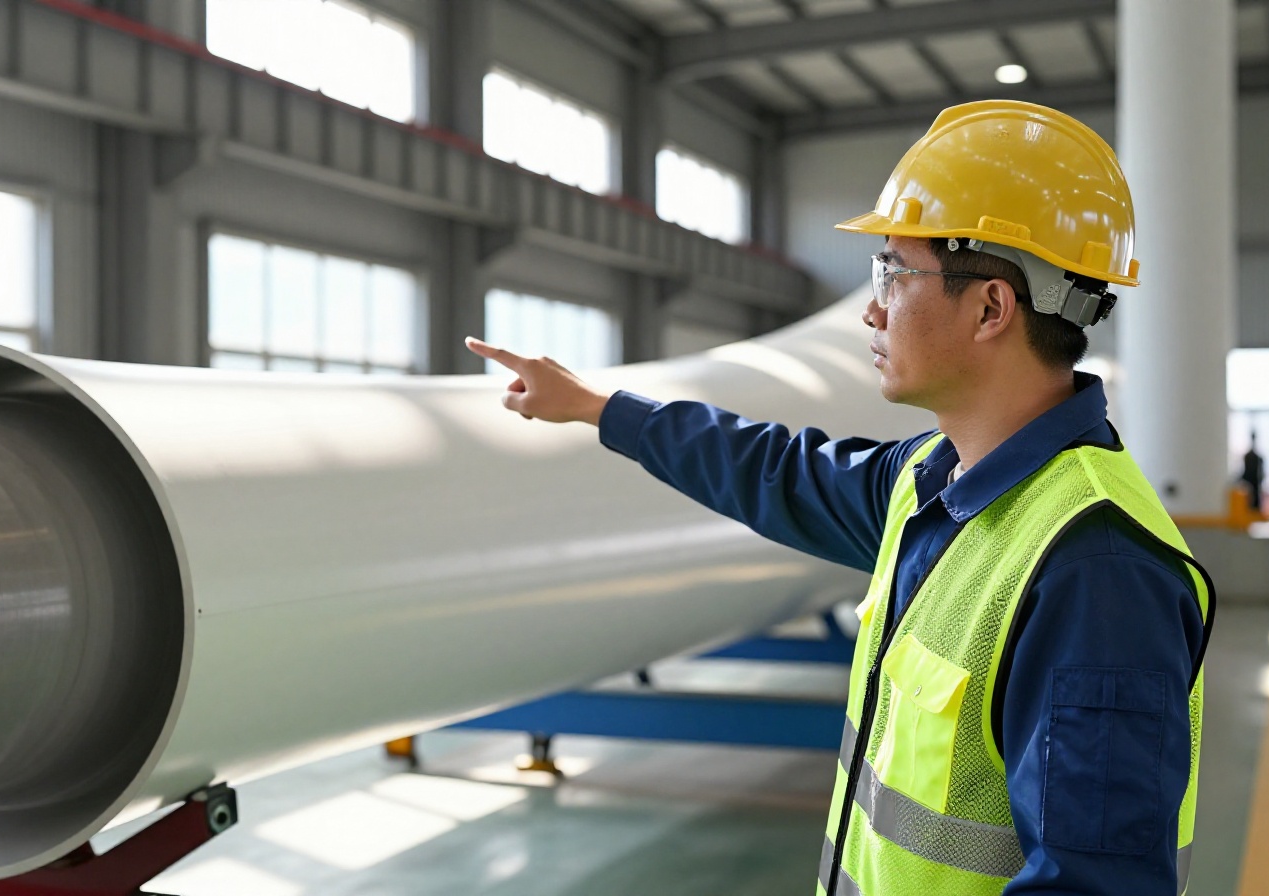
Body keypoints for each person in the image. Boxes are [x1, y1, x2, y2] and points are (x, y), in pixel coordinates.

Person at [466, 100, 1214, 896]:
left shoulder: (1095, 570)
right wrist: (599, 407)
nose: (872, 307)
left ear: (992, 306)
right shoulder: (933, 479)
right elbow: (774, 469)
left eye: (894, 271)